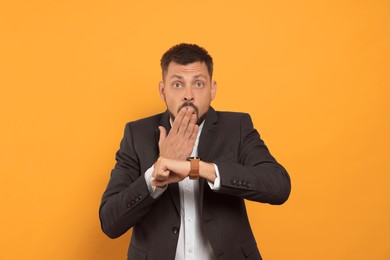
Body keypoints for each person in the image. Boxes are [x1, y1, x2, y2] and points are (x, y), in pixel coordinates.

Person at [99, 43, 291, 260]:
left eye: (198, 84)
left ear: (212, 90)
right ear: (163, 91)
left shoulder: (236, 127)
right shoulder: (137, 134)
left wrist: (199, 169)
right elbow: (110, 222)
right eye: (178, 84)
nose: (188, 95)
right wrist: (155, 176)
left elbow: (279, 185)